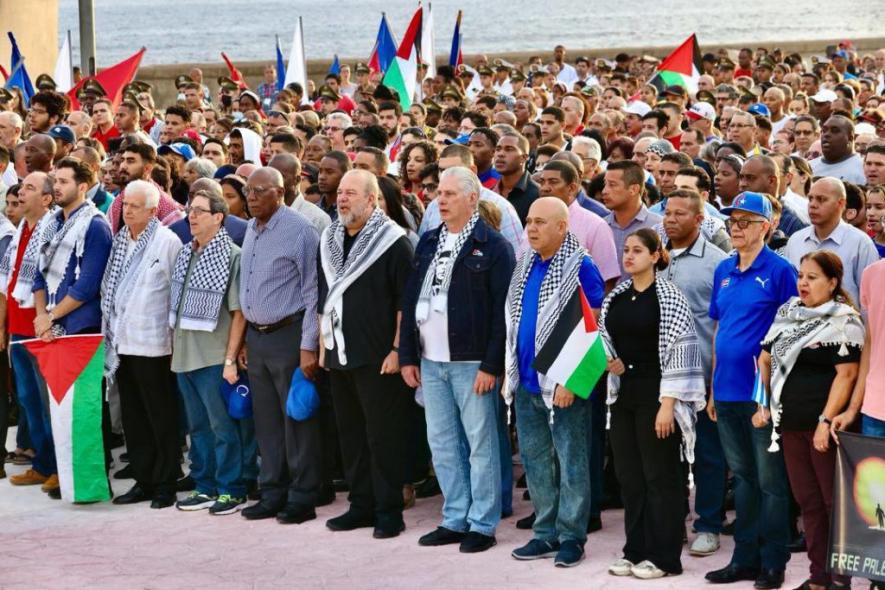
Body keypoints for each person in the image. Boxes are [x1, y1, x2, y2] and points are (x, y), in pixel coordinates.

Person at [400, 167, 514, 553]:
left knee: (480, 444)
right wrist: (408, 354)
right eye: (439, 193)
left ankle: (482, 523)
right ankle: (454, 518)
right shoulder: (429, 241)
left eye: (449, 194)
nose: (441, 200)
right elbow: (411, 299)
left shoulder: (494, 246)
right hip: (431, 360)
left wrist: (491, 365)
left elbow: (502, 314)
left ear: (472, 198)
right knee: (443, 443)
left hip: (471, 363)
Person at [504, 197, 606, 568]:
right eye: (529, 221)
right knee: (535, 463)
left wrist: (571, 381)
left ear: (562, 227)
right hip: (527, 382)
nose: (531, 228)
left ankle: (571, 537)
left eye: (541, 222)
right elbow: (513, 320)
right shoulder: (525, 263)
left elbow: (594, 327)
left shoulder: (581, 266)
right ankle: (545, 533)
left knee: (572, 462)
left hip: (564, 385)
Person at [599, 228, 706, 579]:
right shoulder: (617, 296)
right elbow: (603, 336)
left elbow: (681, 349)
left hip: (658, 394)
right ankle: (635, 550)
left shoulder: (669, 297)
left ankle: (665, 557)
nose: (629, 256)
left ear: (655, 255)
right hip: (624, 394)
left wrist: (668, 405)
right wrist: (610, 360)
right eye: (626, 250)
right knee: (630, 477)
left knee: (660, 476)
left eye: (637, 251)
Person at [705, 191, 798, 590]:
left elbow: (793, 332)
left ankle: (773, 563)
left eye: (745, 221)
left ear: (767, 226)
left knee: (770, 483)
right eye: (733, 221)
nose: (736, 228)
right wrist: (713, 389)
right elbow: (720, 329)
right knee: (742, 479)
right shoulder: (723, 269)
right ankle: (744, 559)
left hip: (762, 394)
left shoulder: (781, 271)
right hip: (726, 390)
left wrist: (773, 395)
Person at [317, 169, 414, 539]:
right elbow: (324, 298)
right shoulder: (329, 238)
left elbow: (405, 303)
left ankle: (389, 511)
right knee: (351, 434)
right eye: (341, 192)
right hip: (340, 352)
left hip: (379, 357)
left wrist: (397, 349)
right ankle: (361, 505)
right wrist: (323, 347)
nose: (342, 199)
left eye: (351, 193)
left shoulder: (393, 242)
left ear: (372, 200)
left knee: (383, 436)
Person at [758, 251, 863, 590]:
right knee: (808, 502)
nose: (803, 283)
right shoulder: (788, 313)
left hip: (826, 429)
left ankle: (840, 579)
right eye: (801, 276)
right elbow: (764, 358)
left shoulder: (844, 321)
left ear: (832, 283)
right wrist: (764, 404)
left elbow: (847, 375)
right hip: (790, 425)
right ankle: (818, 576)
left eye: (812, 277)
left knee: (834, 503)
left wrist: (825, 420)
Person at [239, 167, 322, 525]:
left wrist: (308, 345)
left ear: (280, 191)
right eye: (248, 190)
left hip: (289, 336)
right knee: (267, 421)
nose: (251, 197)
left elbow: (313, 292)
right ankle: (272, 492)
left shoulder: (300, 230)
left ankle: (303, 496)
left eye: (259, 191)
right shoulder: (251, 229)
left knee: (297, 419)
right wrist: (245, 338)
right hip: (257, 338)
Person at [171, 188, 254, 515]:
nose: (191, 216)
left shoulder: (232, 256)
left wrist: (230, 359)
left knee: (224, 428)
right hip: (184, 356)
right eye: (189, 210)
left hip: (214, 358)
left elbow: (239, 313)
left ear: (218, 217)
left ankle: (232, 490)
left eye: (199, 211)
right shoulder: (186, 252)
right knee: (198, 428)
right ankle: (205, 487)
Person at [101, 179, 182, 509]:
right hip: (122, 342)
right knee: (133, 417)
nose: (128, 210)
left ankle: (166, 482)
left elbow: (176, 294)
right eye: (125, 204)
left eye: (135, 206)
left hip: (154, 344)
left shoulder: (167, 241)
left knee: (160, 415)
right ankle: (144, 479)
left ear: (152, 211)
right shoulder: (121, 240)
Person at [659, 189, 730, 557]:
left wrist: (715, 380)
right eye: (667, 213)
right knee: (665, 456)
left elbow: (721, 325)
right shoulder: (655, 256)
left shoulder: (719, 263)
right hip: (660, 378)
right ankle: (671, 523)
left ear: (700, 219)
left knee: (708, 456)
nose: (670, 220)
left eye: (680, 214)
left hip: (700, 376)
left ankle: (708, 525)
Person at [0, 172, 55, 491]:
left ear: (46, 199)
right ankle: (41, 464)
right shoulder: (21, 228)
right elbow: (6, 282)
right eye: (22, 186)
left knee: (47, 405)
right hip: (19, 330)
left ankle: (56, 467)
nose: (21, 192)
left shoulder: (51, 230)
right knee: (28, 401)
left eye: (30, 188)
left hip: (40, 329)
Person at [784, 177, 879, 305]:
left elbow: (871, 297)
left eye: (821, 199)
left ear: (841, 203)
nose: (813, 205)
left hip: (845, 317)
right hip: (800, 316)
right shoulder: (795, 241)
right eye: (810, 198)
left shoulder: (860, 243)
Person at [535, 160, 620, 287]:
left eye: (553, 182)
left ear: (572, 188)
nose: (544, 188)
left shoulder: (595, 225)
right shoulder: (533, 221)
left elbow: (607, 280)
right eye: (542, 182)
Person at [601, 160, 663, 279]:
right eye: (605, 184)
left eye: (612, 185)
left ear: (634, 189)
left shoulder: (658, 227)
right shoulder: (600, 226)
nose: (604, 191)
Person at [492, 133, 539, 225]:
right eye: (498, 149)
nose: (500, 154)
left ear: (524, 158)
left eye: (509, 149)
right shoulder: (490, 192)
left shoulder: (537, 194)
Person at [809, 116, 866, 185]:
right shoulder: (809, 167)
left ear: (850, 138)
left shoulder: (864, 168)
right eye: (824, 131)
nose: (826, 134)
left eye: (834, 131)